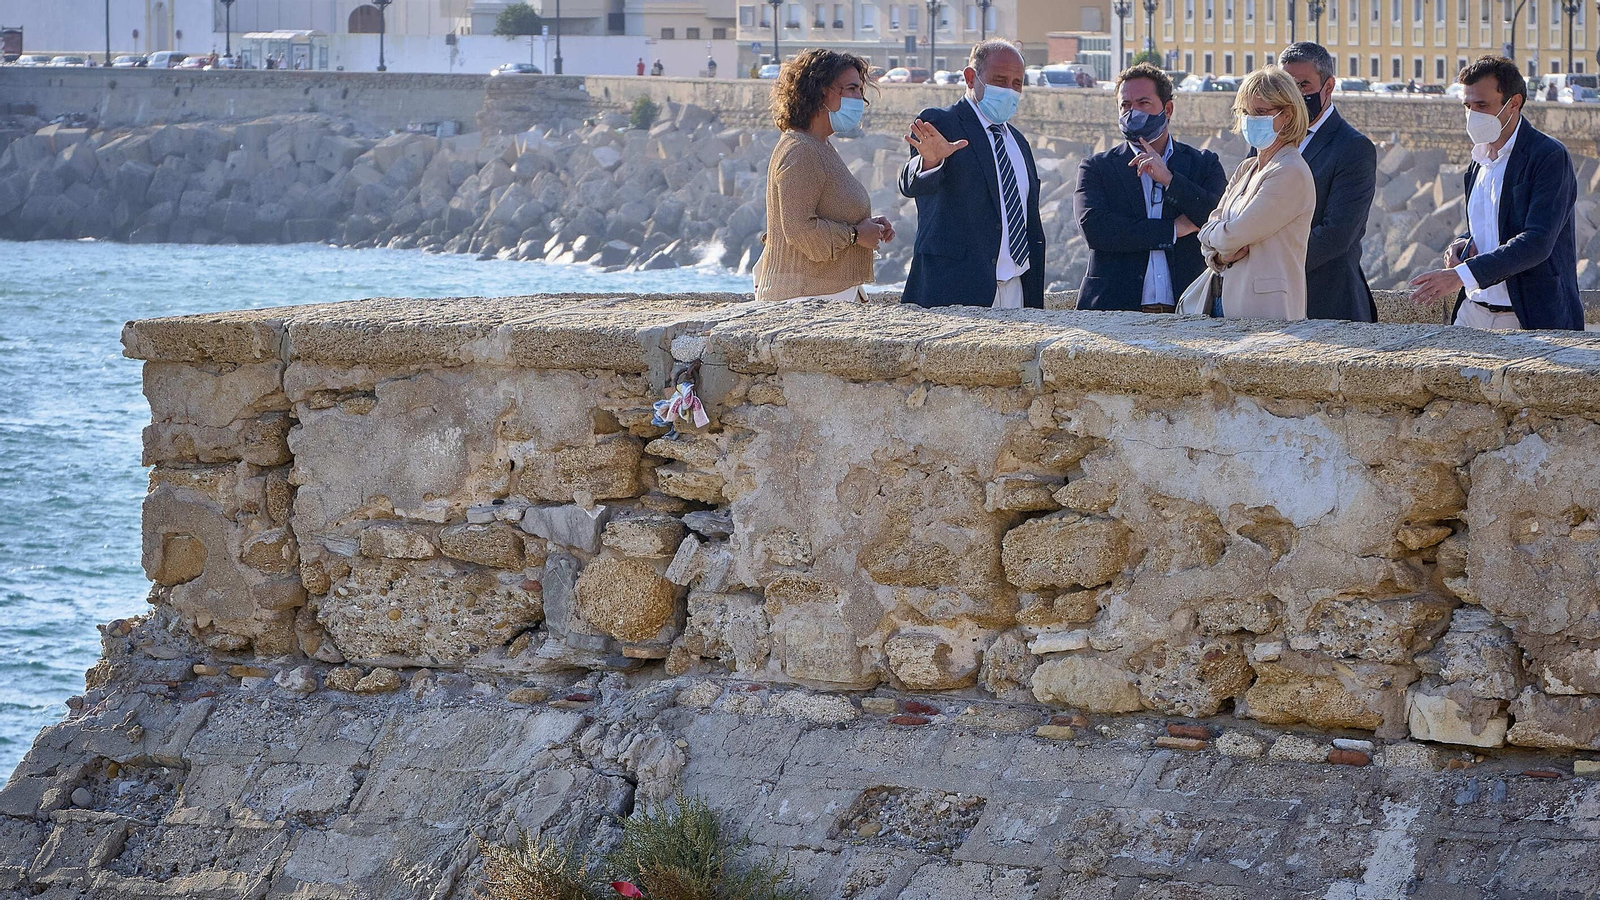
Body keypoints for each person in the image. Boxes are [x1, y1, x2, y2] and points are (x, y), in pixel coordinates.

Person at [1409, 57, 1583, 330]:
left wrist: (1459, 276)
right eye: (1467, 106)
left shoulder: (1548, 157)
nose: (1472, 115)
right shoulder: (1478, 159)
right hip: (1472, 312)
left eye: (1482, 105)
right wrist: (1463, 244)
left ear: (1514, 103)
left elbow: (1537, 242)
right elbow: (1490, 226)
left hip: (1527, 317)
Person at [898, 39, 1044, 309]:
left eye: (1017, 83)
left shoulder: (1019, 143)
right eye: (1000, 80)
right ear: (970, 78)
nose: (1009, 90)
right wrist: (930, 161)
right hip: (958, 291)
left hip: (1017, 290)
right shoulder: (943, 123)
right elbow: (911, 182)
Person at [1074, 63, 1226, 313]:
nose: (1133, 112)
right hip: (1114, 310)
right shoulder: (1096, 168)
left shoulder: (1204, 164)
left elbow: (1218, 219)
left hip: (1190, 307)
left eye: (1143, 103)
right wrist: (1172, 230)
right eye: (1125, 105)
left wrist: (1170, 180)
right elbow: (1096, 229)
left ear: (1167, 109)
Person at [753, 49, 894, 302]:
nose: (859, 99)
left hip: (822, 297)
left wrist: (867, 223)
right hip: (803, 300)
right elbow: (799, 230)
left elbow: (824, 209)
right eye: (851, 89)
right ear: (821, 92)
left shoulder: (819, 146)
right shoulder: (801, 150)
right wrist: (855, 235)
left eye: (861, 91)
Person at [1196, 66, 1316, 319]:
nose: (1250, 120)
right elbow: (1213, 228)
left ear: (1287, 115)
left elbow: (1233, 234)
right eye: (1245, 112)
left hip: (1264, 309)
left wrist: (1215, 238)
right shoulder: (1246, 169)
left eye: (1260, 112)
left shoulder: (1290, 172)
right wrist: (1218, 254)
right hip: (1222, 302)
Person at [1278, 41, 1378, 321]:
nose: (1295, 96)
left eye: (1304, 86)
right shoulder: (1266, 141)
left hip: (1330, 302)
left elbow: (1336, 235)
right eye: (1287, 86)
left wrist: (1271, 264)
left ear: (1329, 86)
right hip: (1271, 301)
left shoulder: (1353, 148)